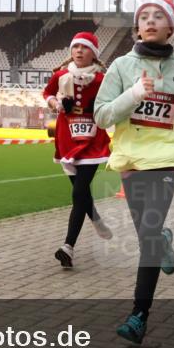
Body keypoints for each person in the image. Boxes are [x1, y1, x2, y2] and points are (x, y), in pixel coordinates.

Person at [94, 0, 174, 345]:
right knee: (150, 234)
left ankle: (138, 315)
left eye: (158, 16)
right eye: (143, 16)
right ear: (136, 26)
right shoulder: (119, 68)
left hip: (166, 156)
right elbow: (101, 117)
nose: (149, 21)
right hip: (130, 158)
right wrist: (132, 94)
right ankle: (163, 240)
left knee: (146, 234)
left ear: (170, 26)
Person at [43, 32, 113, 268]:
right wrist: (58, 104)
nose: (79, 52)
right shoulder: (61, 75)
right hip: (67, 139)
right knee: (81, 194)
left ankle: (68, 247)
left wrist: (100, 106)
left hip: (93, 141)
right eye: (76, 48)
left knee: (78, 192)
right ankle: (96, 218)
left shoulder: (103, 79)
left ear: (94, 53)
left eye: (85, 48)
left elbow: (113, 100)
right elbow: (48, 93)